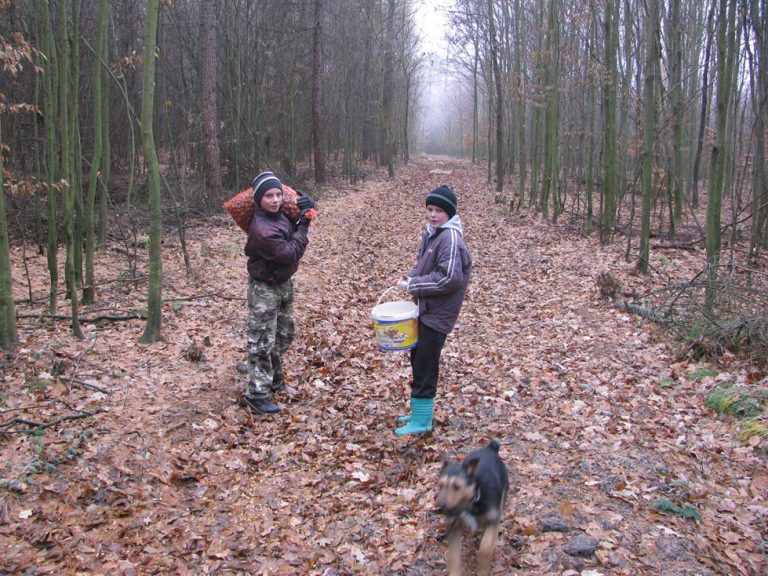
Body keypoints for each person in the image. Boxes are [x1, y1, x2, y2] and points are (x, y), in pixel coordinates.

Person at [394, 184, 472, 435]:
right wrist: (410, 275)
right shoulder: (433, 234)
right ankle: (418, 413)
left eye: (439, 210)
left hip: (438, 315)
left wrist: (414, 285)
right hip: (425, 310)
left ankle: (423, 421)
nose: (433, 215)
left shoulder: (449, 238)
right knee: (418, 360)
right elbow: (423, 266)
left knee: (426, 365)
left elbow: (449, 278)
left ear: (449, 213)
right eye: (430, 209)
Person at [243, 171, 315, 415]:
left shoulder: (281, 215)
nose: (274, 200)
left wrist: (307, 207)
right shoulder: (262, 229)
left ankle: (273, 377)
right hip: (264, 288)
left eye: (277, 195)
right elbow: (289, 253)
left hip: (283, 284)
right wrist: (304, 226)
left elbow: (295, 221)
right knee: (261, 340)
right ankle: (257, 393)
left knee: (284, 335)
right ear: (259, 200)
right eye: (268, 196)